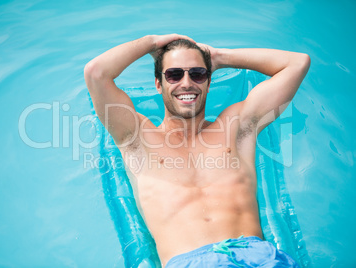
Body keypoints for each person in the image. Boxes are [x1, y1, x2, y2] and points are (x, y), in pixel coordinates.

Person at [84, 34, 310, 267]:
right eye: (173, 74)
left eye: (198, 74)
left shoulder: (236, 127)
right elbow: (96, 73)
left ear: (208, 82)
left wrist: (219, 57)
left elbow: (297, 63)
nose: (186, 83)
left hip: (257, 257)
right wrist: (152, 43)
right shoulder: (137, 138)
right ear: (158, 84)